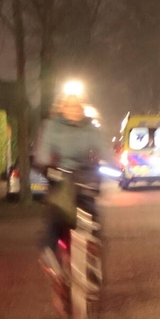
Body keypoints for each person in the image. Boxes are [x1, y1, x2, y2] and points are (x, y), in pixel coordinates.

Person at [35, 92, 114, 275]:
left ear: (82, 109)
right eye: (69, 106)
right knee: (56, 215)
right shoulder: (52, 127)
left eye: (77, 106)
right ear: (61, 109)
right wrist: (45, 164)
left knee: (93, 218)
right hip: (60, 177)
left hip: (85, 176)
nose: (74, 110)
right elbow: (44, 153)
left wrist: (112, 162)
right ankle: (50, 255)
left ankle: (94, 260)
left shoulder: (90, 128)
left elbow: (103, 148)